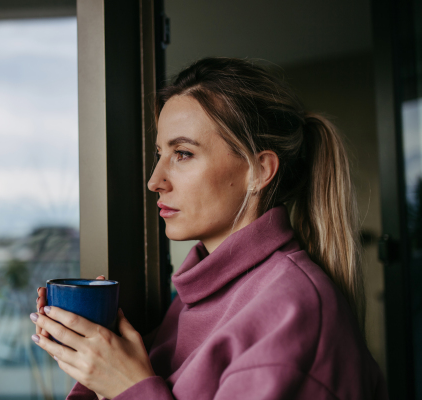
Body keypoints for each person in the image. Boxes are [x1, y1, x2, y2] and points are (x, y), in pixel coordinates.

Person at [30, 57, 388, 399]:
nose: (155, 180)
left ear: (258, 170)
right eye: (160, 154)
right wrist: (93, 359)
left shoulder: (295, 312)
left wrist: (128, 386)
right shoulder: (193, 301)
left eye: (182, 153)